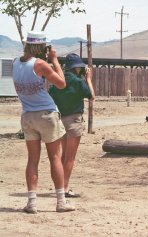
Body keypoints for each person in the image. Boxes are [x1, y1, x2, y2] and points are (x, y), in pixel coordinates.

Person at [12, 31, 75, 213]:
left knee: (33, 159)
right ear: (41, 47)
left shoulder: (16, 63)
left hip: (28, 115)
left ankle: (32, 203)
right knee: (55, 157)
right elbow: (62, 83)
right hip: (46, 114)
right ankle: (61, 202)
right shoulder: (40, 64)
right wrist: (54, 60)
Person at [49, 53, 95, 198]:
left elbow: (51, 96)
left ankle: (60, 186)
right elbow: (91, 95)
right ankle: (65, 188)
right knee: (70, 157)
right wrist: (88, 79)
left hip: (60, 120)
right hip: (74, 120)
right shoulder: (78, 81)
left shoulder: (59, 80)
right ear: (79, 67)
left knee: (63, 156)